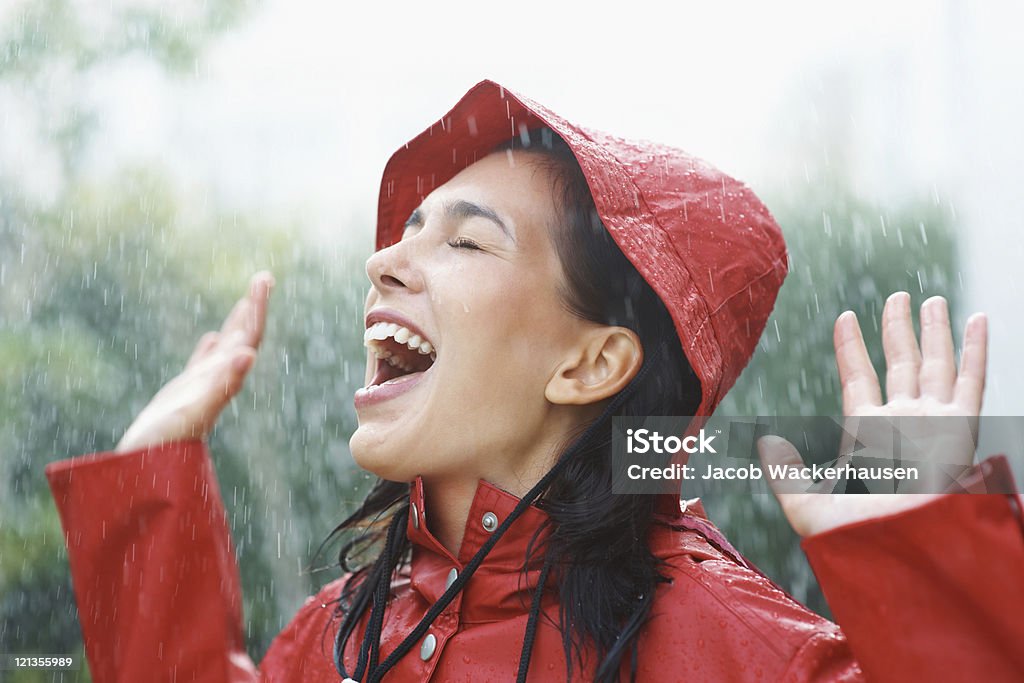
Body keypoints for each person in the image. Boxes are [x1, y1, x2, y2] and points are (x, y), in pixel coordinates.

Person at [46, 80, 1024, 683]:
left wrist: (925, 567)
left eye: (466, 237)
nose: (384, 259)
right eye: (408, 227)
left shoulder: (742, 653)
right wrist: (148, 485)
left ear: (592, 360)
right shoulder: (342, 635)